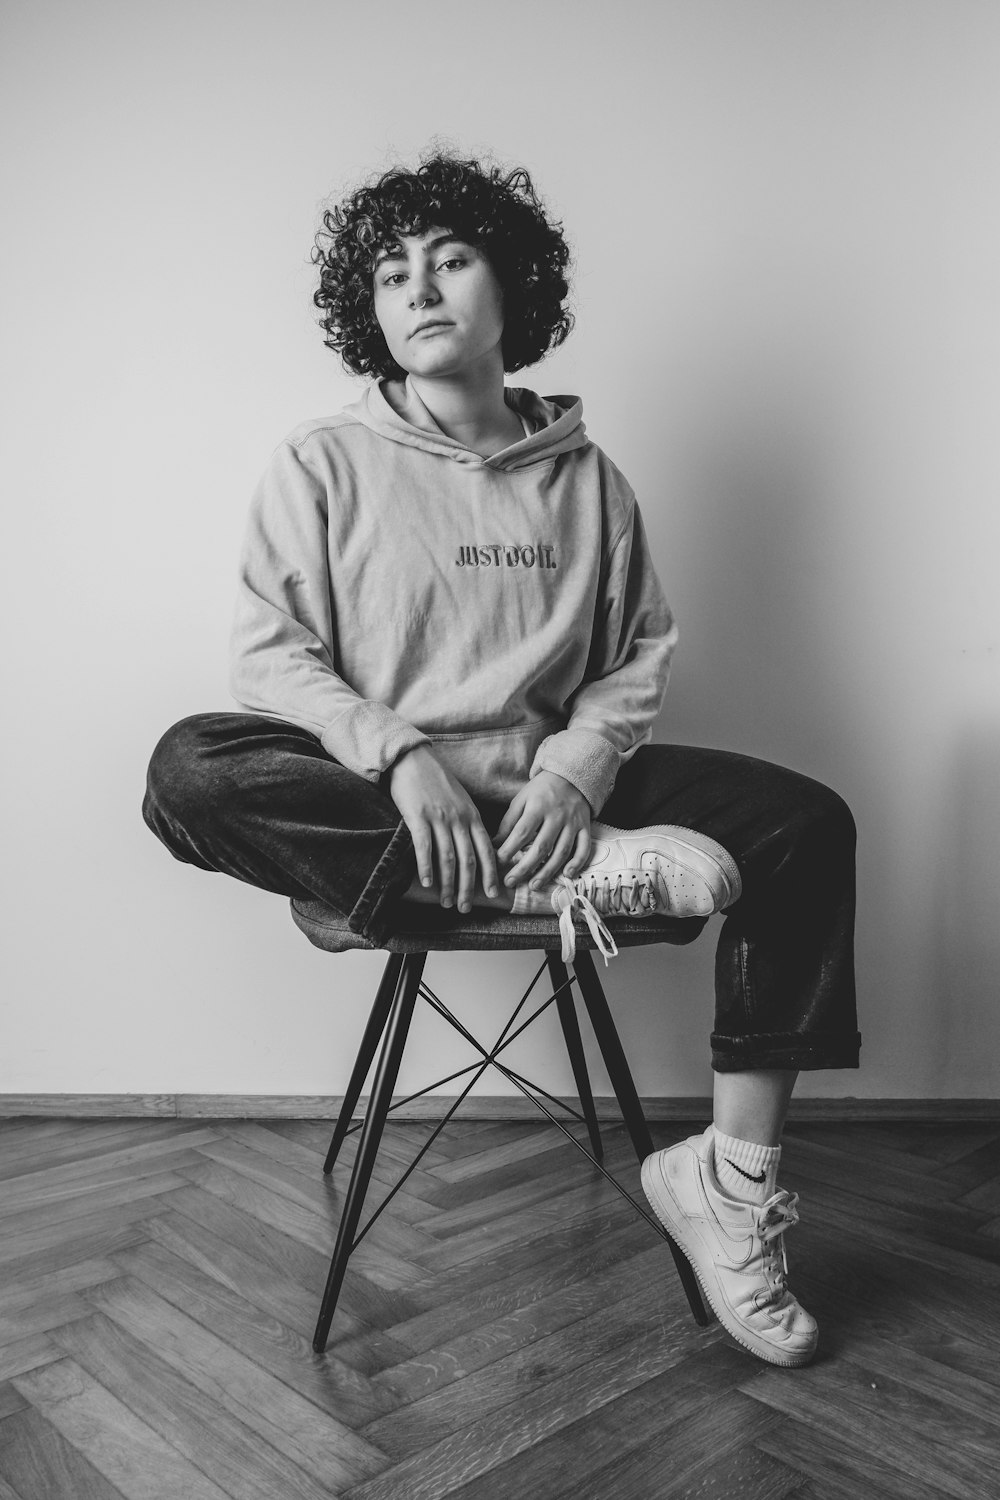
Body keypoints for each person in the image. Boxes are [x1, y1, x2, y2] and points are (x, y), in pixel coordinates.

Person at [143, 151, 859, 1369]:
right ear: (363, 309)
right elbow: (269, 661)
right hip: (391, 805)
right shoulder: (322, 463)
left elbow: (635, 658)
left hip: (551, 796)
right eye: (389, 273)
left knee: (809, 820)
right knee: (189, 768)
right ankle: (564, 882)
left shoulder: (592, 481)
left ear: (510, 286)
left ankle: (728, 1184)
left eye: (451, 258)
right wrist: (401, 754)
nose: (417, 288)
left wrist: (577, 775)